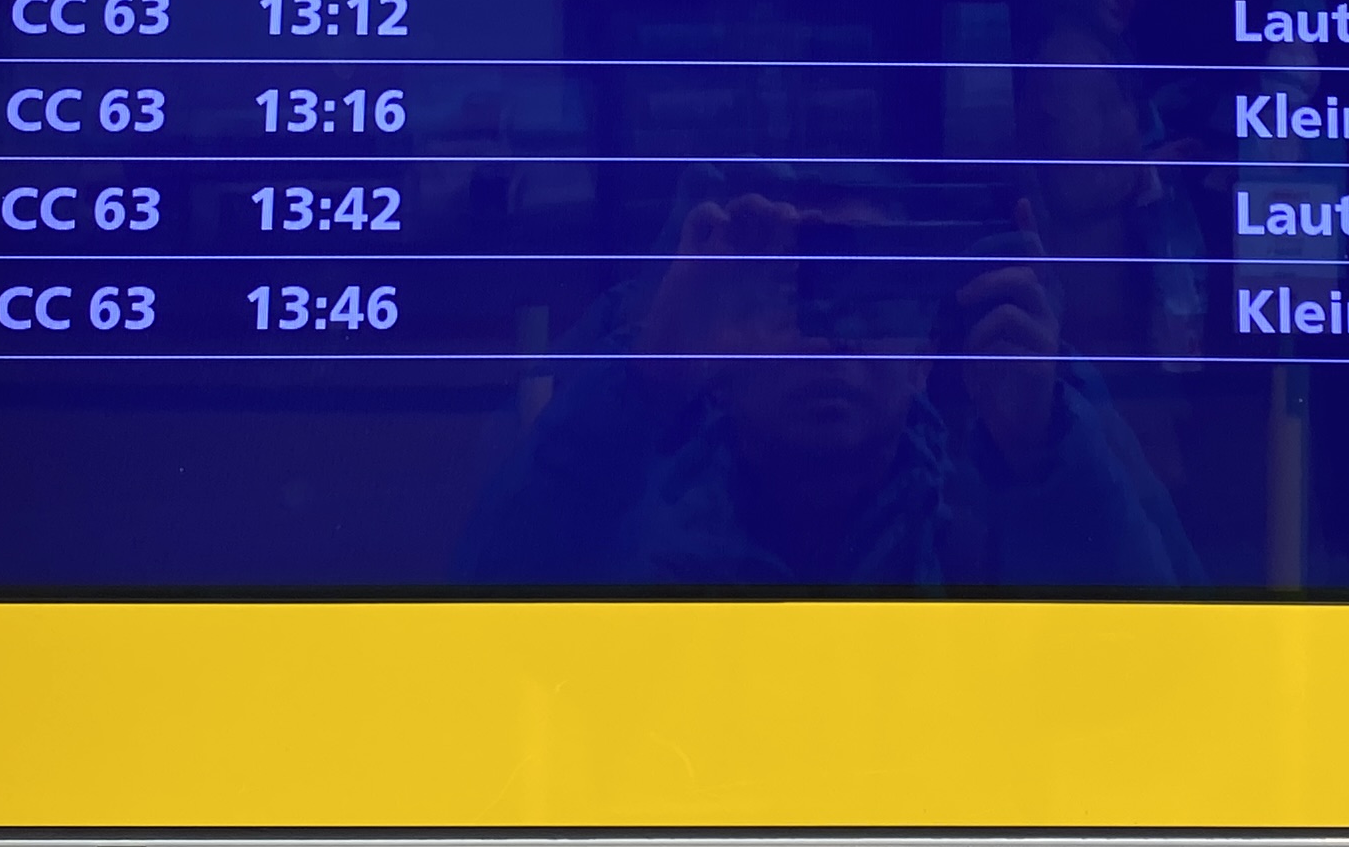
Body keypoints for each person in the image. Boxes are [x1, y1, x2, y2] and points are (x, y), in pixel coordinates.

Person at [461, 186, 1199, 587]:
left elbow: (1163, 686)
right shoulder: (626, 527)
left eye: (870, 298)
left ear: (923, 359)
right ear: (721, 352)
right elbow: (484, 630)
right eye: (798, 298)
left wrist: (1044, 444)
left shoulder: (994, 523)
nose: (831, 339)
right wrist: (652, 373)